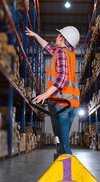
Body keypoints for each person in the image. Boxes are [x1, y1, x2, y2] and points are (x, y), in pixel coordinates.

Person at [26, 26, 80, 155]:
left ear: (61, 38)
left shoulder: (61, 53)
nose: (56, 37)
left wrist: (45, 94)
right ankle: (62, 167)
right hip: (72, 104)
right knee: (61, 142)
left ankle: (67, 171)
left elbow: (63, 77)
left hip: (62, 103)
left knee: (64, 145)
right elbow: (48, 48)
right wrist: (36, 36)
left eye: (58, 35)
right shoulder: (69, 54)